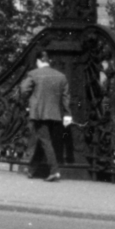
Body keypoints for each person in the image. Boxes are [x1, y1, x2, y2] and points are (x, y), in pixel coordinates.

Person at [18, 50, 72, 182]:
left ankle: (54, 171)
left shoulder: (34, 74)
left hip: (39, 113)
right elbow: (66, 97)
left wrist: (26, 102)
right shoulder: (61, 76)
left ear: (38, 61)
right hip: (55, 114)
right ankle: (31, 169)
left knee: (45, 141)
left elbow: (24, 90)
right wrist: (67, 114)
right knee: (44, 140)